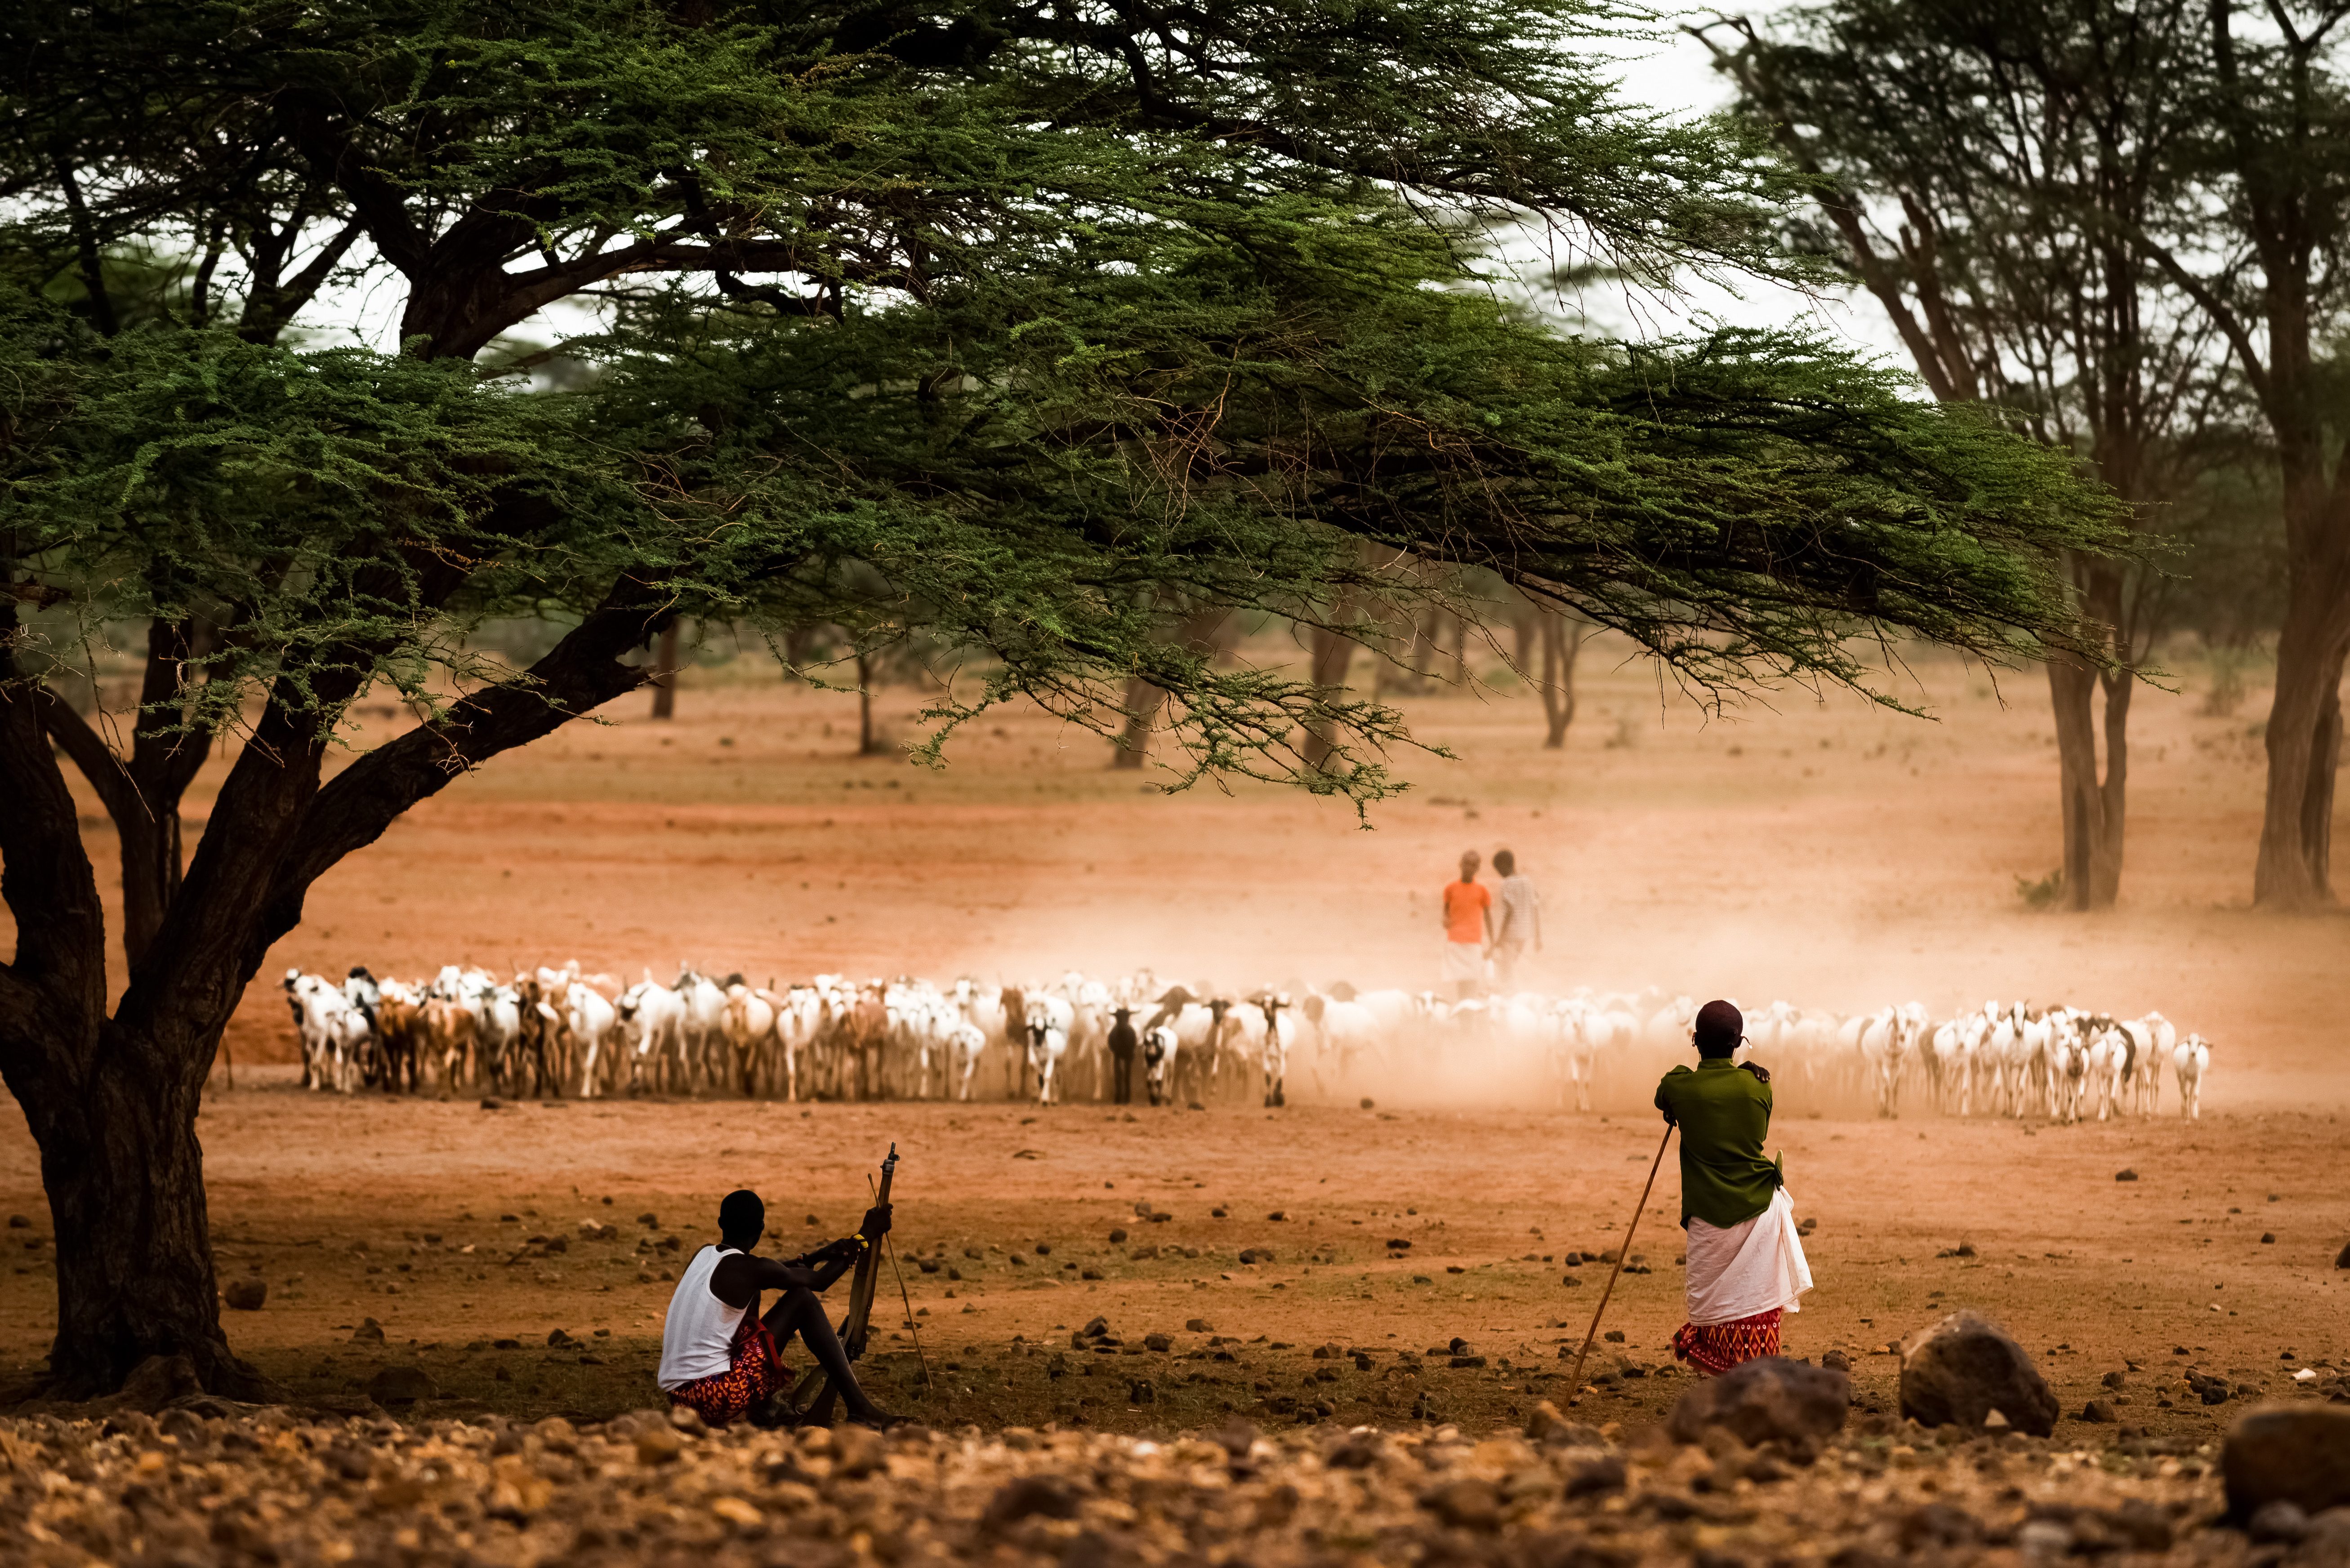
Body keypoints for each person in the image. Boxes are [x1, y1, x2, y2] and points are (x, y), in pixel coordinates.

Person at [1653, 1000, 1812, 1374]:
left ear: (1695, 1041)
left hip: (1708, 1216)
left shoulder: (1682, 1089)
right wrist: (1743, 1069)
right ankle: (1756, 1385)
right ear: (1738, 1043)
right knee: (1757, 1305)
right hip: (1759, 1208)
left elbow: (1666, 1090)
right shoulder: (1758, 1085)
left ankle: (1728, 1382)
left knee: (1712, 1313)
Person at [657, 1189, 899, 1428]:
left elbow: (766, 1275)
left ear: (721, 1223)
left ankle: (762, 1409)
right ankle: (859, 1407)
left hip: (682, 1402)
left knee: (757, 1303)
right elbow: (820, 1282)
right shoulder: (751, 1270)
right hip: (715, 1397)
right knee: (802, 1298)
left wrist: (817, 1256)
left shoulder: (704, 1255)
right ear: (761, 1229)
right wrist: (865, 1235)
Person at [1439, 850, 1494, 999]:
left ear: (1477, 869)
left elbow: (1489, 919)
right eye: (1466, 864)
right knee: (1462, 984)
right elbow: (1446, 914)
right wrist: (1445, 921)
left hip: (1474, 943)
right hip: (1456, 942)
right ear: (1460, 865)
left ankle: (1468, 1017)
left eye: (1473, 865)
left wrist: (1492, 942)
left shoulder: (1482, 891)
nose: (1469, 868)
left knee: (1473, 982)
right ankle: (1465, 1017)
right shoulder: (1450, 889)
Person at [1489, 848, 1542, 988]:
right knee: (1519, 969)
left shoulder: (1507, 884)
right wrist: (1538, 937)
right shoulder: (1528, 882)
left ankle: (1509, 997)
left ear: (1505, 866)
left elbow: (1509, 913)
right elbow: (1535, 909)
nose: (1500, 874)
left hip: (1512, 935)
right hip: (1527, 934)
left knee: (1506, 971)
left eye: (1499, 870)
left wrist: (1500, 938)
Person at [1107, 1005, 1138, 1105]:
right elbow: (1111, 1044)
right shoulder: (1128, 1032)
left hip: (1123, 1054)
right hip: (1119, 1054)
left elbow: (1111, 1044)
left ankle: (1124, 1098)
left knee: (1125, 1075)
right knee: (1120, 1075)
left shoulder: (1129, 1032)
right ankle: (1122, 1097)